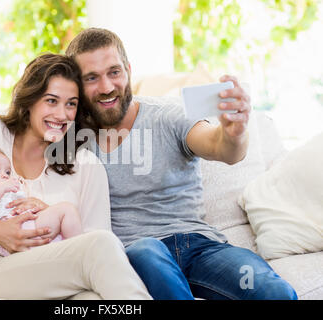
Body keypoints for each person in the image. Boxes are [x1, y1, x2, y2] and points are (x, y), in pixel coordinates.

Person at [62, 27, 297, 300]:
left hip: (201, 248)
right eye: (92, 77)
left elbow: (220, 148)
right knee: (146, 251)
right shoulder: (70, 138)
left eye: (114, 72)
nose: (106, 87)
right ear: (77, 84)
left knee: (273, 291)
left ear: (127, 70)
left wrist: (234, 132)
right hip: (136, 254)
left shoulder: (167, 115)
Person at [0, 53, 151, 300]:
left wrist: (52, 214)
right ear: (30, 101)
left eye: (71, 104)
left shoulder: (86, 165)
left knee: (93, 299)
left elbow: (92, 240)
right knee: (101, 246)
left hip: (61, 276)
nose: (61, 115)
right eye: (51, 101)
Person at [0, 145, 83, 256]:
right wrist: (1, 187)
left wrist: (22, 190)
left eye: (7, 172)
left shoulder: (5, 192)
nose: (4, 175)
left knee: (67, 213)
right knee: (66, 210)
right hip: (18, 232)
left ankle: (76, 250)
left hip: (29, 228)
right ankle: (80, 252)